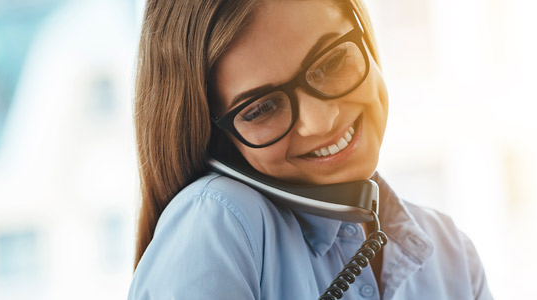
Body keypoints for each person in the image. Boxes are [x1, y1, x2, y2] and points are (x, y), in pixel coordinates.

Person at [127, 0, 493, 299]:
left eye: (331, 62)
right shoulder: (216, 222)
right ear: (219, 140)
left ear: (363, 32)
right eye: (261, 108)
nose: (320, 121)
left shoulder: (451, 255)